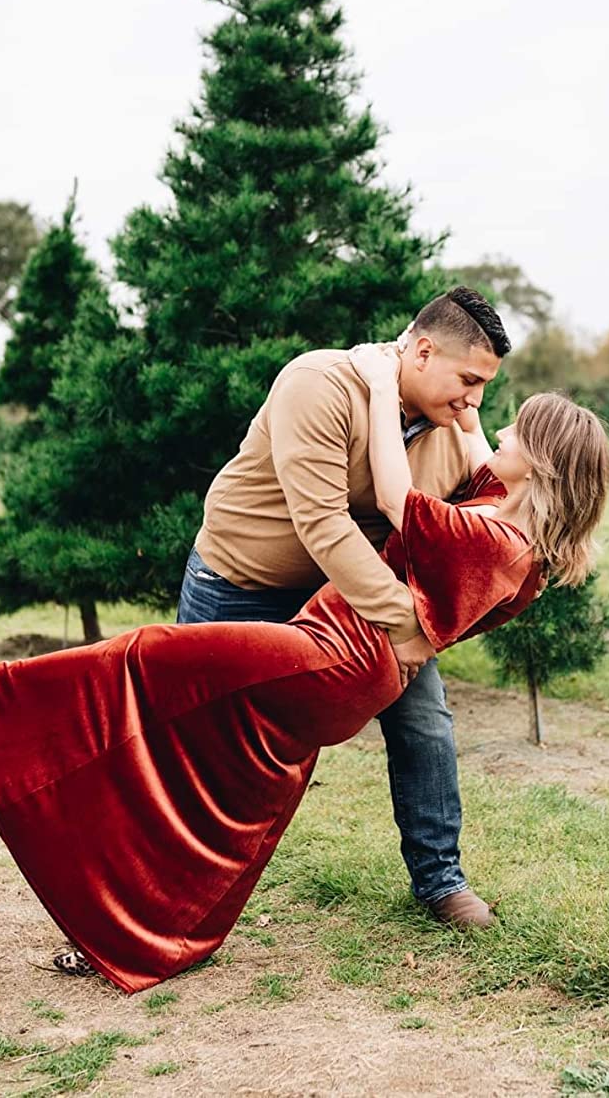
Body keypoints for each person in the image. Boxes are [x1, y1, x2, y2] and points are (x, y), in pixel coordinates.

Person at [0, 367, 609, 994]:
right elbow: (484, 453)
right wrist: (465, 400)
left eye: (518, 431)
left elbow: (394, 499)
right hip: (345, 662)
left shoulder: (491, 541)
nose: (497, 433)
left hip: (334, 656)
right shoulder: (503, 515)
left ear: (542, 467)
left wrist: (386, 380)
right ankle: (148, 940)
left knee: (148, 654)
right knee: (243, 800)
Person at [181, 287, 511, 930]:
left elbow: (454, 536)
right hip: (242, 582)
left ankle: (440, 881)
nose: (475, 401)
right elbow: (322, 524)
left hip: (357, 600)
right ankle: (176, 893)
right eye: (468, 380)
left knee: (424, 721)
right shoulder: (319, 383)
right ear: (420, 350)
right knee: (207, 743)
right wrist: (408, 625)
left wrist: (416, 629)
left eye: (485, 386)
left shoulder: (451, 431)